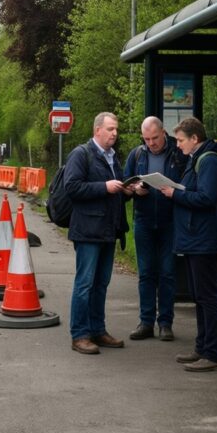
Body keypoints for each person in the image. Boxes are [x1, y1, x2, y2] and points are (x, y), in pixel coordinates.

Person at [158, 117, 217, 372]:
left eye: (180, 141)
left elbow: (207, 197)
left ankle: (213, 353)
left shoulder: (208, 161)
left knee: (208, 297)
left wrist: (175, 193)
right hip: (196, 237)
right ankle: (202, 347)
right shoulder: (197, 159)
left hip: (205, 240)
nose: (177, 146)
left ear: (194, 139)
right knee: (200, 296)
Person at [64, 112, 132, 355]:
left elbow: (115, 193)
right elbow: (71, 187)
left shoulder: (113, 157)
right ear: (97, 131)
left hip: (107, 230)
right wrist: (104, 187)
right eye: (111, 129)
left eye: (116, 129)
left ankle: (97, 330)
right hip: (88, 231)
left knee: (101, 284)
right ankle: (80, 335)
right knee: (84, 284)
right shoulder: (81, 154)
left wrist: (129, 190)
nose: (115, 133)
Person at [123, 116, 187, 342]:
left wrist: (174, 191)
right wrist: (134, 189)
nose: (151, 143)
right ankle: (146, 322)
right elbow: (125, 185)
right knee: (146, 273)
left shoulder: (177, 154)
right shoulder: (137, 154)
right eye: (147, 139)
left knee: (168, 273)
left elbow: (187, 183)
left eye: (155, 138)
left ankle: (166, 323)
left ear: (164, 133)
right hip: (144, 221)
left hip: (170, 222)